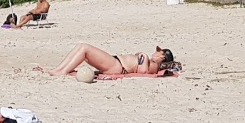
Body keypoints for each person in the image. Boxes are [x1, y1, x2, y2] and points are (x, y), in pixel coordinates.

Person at [38, 43, 177, 78]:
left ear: (162, 55)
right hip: (117, 63)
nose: (155, 52)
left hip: (117, 66)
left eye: (158, 51)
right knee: (82, 48)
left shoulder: (148, 60)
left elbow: (143, 71)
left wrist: (142, 56)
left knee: (85, 48)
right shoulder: (152, 63)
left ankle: (61, 71)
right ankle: (58, 70)